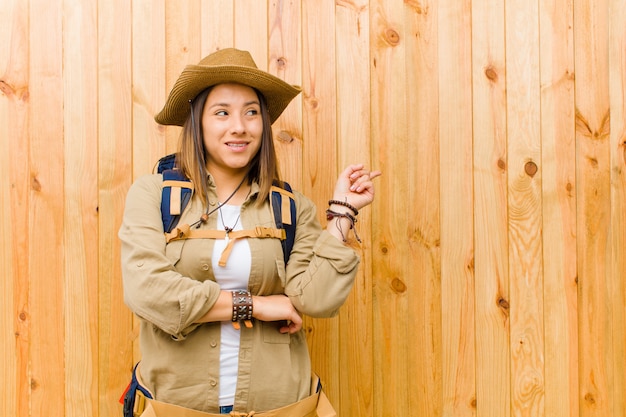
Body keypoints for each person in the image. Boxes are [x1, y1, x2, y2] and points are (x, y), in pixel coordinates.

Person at [119, 48, 380, 416]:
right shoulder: (154, 194)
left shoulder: (289, 208)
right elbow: (146, 290)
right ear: (199, 122)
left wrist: (343, 212)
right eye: (222, 112)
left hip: (283, 407)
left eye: (251, 112)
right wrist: (256, 305)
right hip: (177, 406)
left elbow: (316, 300)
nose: (239, 126)